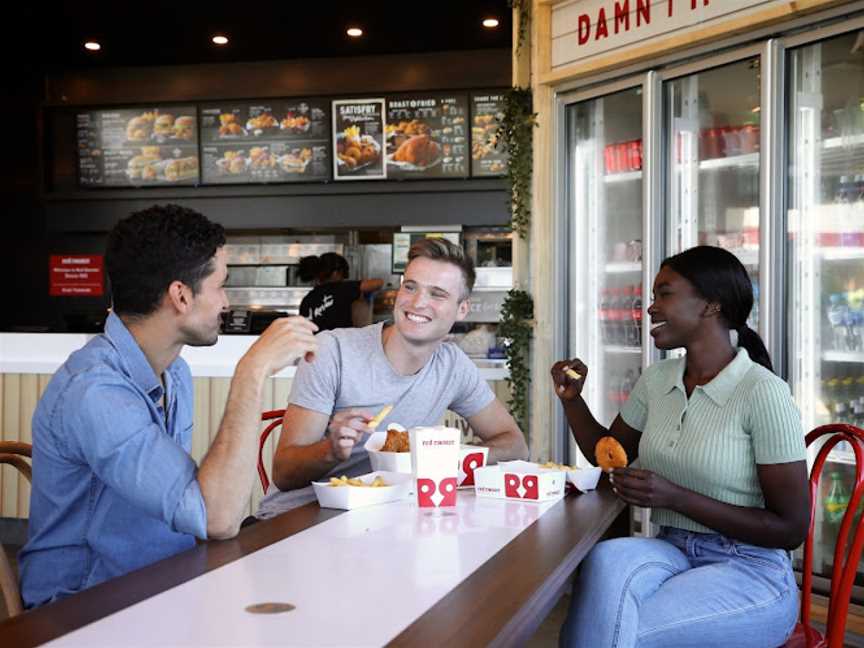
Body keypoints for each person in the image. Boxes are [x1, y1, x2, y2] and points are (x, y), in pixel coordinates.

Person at [18, 205, 318, 608]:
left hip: (163, 579)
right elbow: (218, 518)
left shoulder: (173, 371)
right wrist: (253, 369)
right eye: (220, 285)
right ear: (180, 295)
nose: (225, 302)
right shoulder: (94, 393)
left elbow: (197, 505)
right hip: (84, 606)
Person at [551, 246, 808, 648]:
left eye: (664, 293)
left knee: (619, 630)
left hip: (750, 570)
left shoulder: (763, 392)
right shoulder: (658, 380)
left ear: (711, 304)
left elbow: (791, 529)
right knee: (604, 561)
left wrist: (676, 497)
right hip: (671, 550)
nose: (649, 308)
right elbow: (608, 454)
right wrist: (571, 399)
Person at [256, 238, 529, 516]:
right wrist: (331, 450)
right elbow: (284, 473)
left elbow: (514, 444)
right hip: (297, 521)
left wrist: (448, 457)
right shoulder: (333, 351)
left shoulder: (453, 366)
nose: (418, 302)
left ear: (462, 309)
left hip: (385, 522)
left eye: (437, 294)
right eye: (410, 287)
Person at [298, 252, 384, 331]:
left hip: (315, 346)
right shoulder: (342, 289)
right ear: (335, 273)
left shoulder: (307, 300)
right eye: (343, 275)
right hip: (340, 345)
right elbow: (378, 283)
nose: (343, 279)